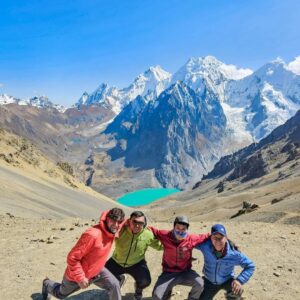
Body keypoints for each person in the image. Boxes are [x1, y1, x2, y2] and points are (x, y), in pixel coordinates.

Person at [41, 208, 125, 300]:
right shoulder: (93, 235)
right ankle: (46, 283)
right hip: (79, 275)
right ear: (107, 219)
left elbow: (128, 224)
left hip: (97, 270)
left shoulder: (113, 231)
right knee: (60, 294)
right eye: (113, 221)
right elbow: (72, 258)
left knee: (114, 285)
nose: (116, 225)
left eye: (119, 222)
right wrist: (80, 278)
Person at [105, 210, 162, 300]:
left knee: (145, 281)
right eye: (134, 221)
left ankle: (138, 291)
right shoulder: (120, 230)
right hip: (116, 261)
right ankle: (119, 280)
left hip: (137, 263)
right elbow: (106, 229)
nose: (137, 225)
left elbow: (160, 246)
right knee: (102, 277)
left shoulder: (148, 235)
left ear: (144, 223)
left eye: (140, 223)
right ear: (129, 221)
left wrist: (176, 244)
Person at [150, 216, 210, 300]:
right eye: (178, 228)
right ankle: (167, 293)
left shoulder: (191, 239)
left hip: (185, 272)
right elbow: (152, 230)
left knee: (200, 284)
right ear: (174, 227)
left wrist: (220, 236)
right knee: (156, 296)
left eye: (183, 229)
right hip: (168, 273)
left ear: (187, 229)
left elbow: (206, 236)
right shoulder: (165, 235)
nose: (180, 231)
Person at [196, 224, 255, 300]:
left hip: (227, 280)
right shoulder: (205, 246)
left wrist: (239, 280)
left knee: (237, 290)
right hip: (209, 281)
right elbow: (189, 242)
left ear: (226, 238)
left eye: (221, 237)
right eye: (215, 237)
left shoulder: (234, 253)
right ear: (211, 238)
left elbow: (250, 266)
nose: (218, 241)